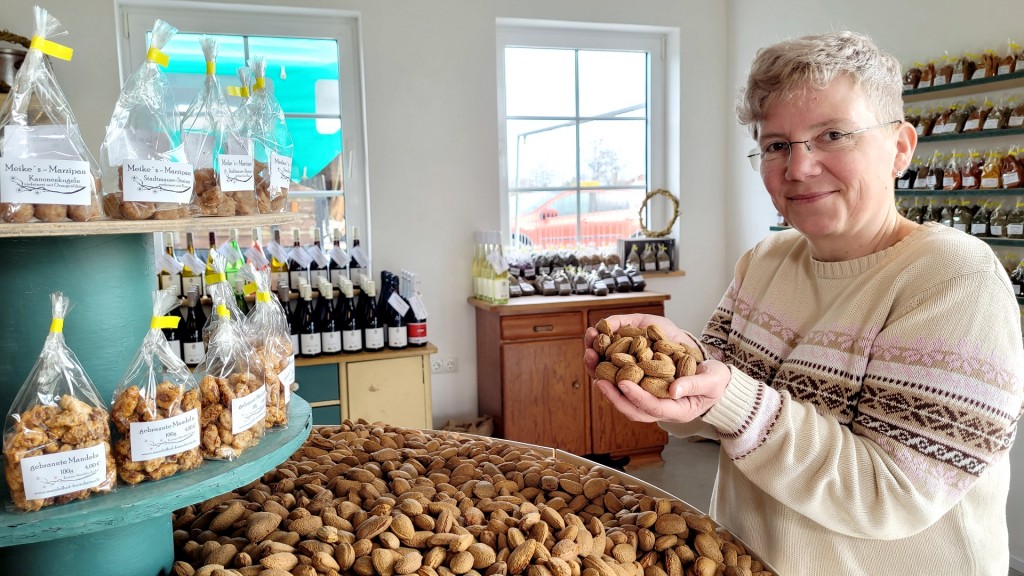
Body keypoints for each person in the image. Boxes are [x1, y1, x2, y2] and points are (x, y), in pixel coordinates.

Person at [584, 31, 1024, 576]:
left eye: (832, 134)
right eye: (776, 145)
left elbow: (891, 494)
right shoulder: (766, 260)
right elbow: (712, 409)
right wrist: (680, 375)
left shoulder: (954, 278)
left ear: (900, 148)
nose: (798, 167)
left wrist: (730, 399)